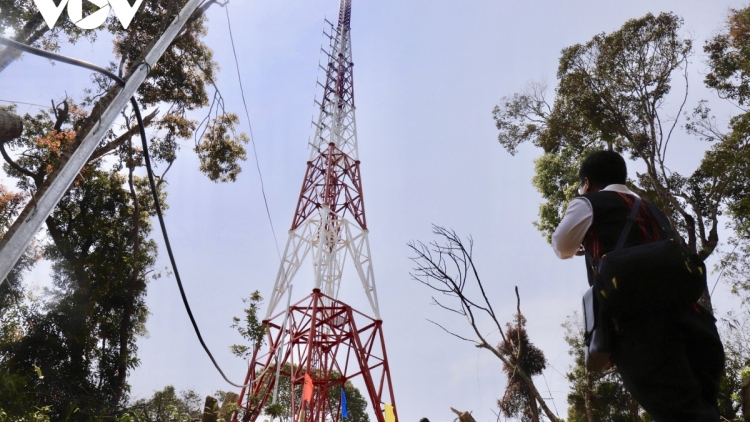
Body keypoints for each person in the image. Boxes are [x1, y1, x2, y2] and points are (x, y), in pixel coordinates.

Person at [552, 150, 725, 422]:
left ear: (586, 182)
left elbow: (561, 245)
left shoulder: (588, 202)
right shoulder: (652, 209)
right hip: (696, 324)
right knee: (704, 411)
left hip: (640, 331)